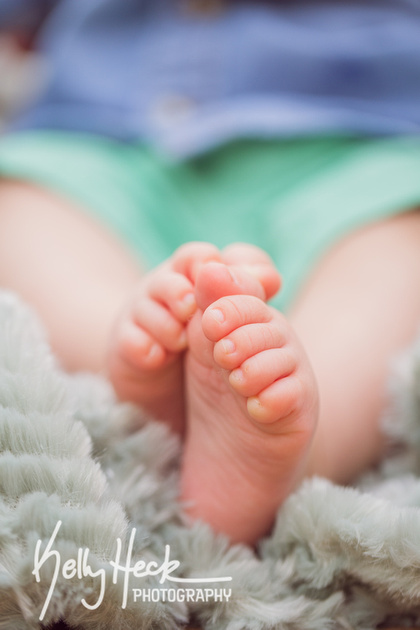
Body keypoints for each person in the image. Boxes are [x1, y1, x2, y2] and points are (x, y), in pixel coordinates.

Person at [1, 0, 420, 545]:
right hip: (99, 148)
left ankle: (302, 444)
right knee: (19, 210)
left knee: (398, 255)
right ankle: (140, 375)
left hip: (364, 150)